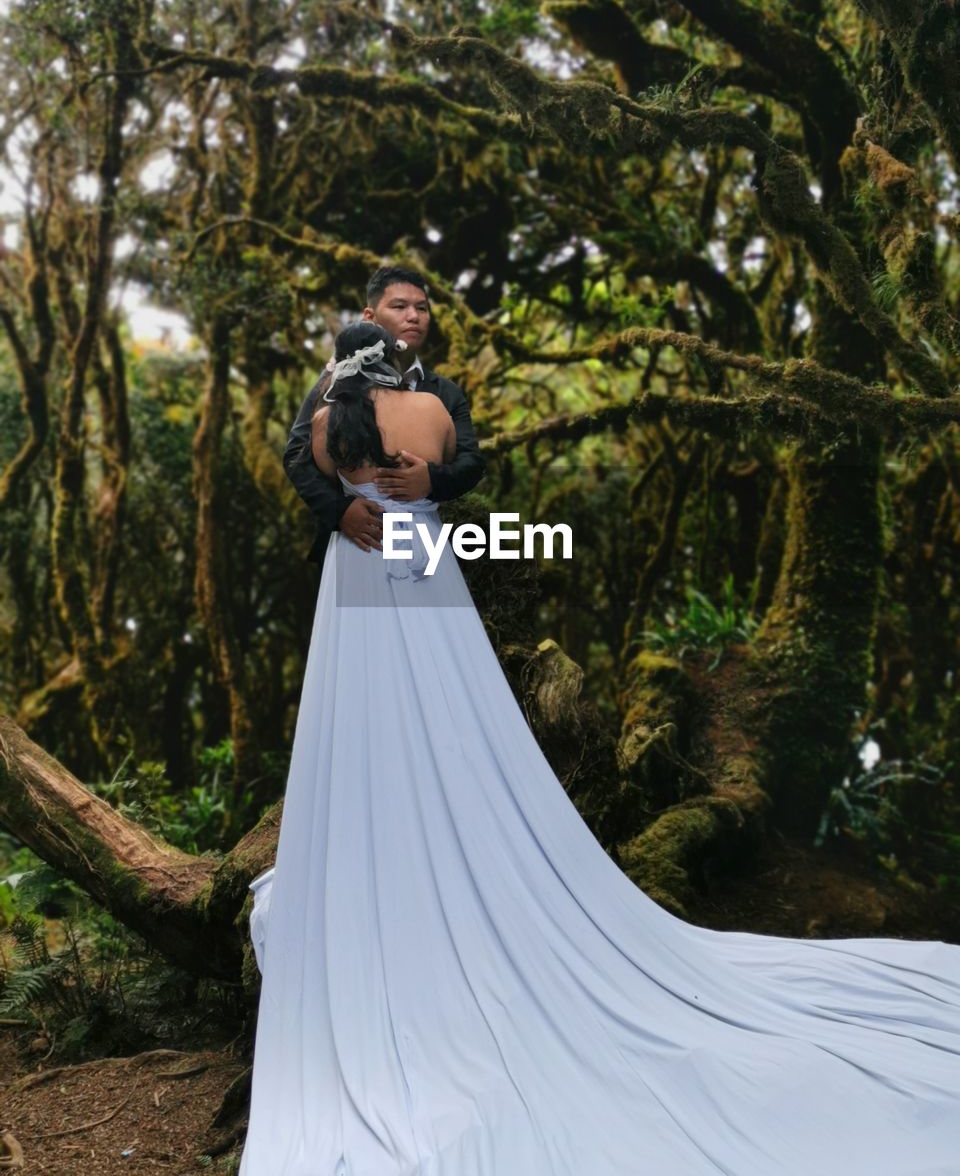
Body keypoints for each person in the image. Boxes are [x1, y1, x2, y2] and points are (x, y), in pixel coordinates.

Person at [239, 326, 960, 1176]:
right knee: (457, 714)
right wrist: (421, 482)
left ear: (338, 361)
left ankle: (385, 843)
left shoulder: (329, 422)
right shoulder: (432, 409)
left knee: (367, 717)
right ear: (392, 353)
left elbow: (311, 459)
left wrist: (345, 475)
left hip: (359, 565)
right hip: (424, 557)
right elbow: (457, 467)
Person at [283, 265, 485, 565]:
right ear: (370, 316)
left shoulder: (445, 392)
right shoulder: (331, 385)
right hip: (355, 543)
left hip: (429, 546)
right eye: (399, 306)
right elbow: (296, 457)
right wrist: (340, 510)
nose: (413, 316)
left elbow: (471, 462)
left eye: (422, 308)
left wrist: (432, 479)